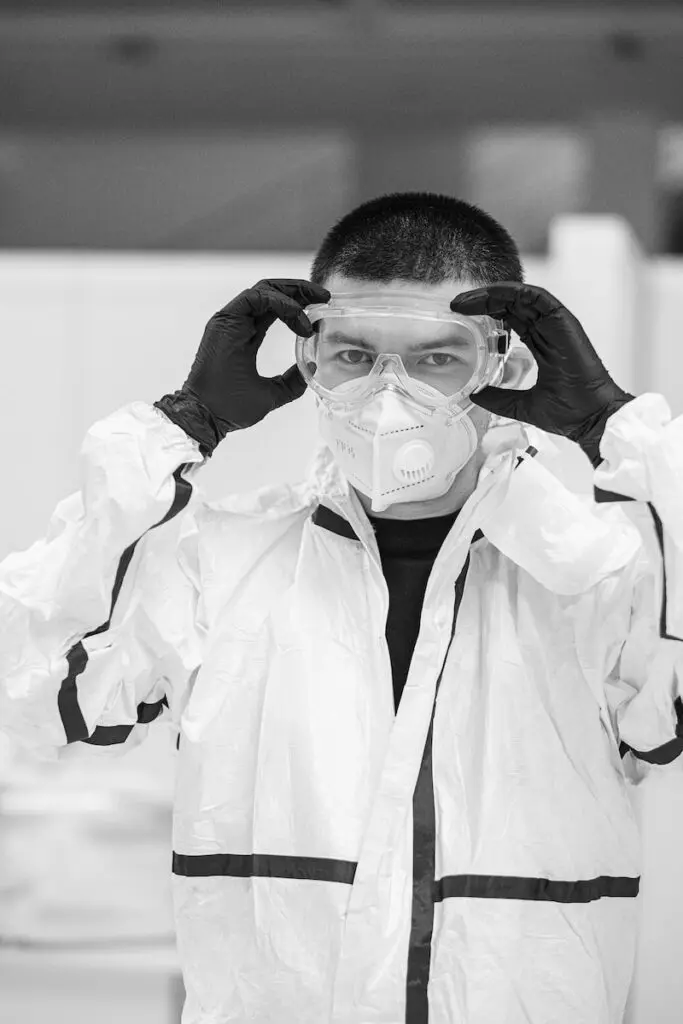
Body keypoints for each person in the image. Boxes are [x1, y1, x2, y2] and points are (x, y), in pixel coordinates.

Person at [1, 192, 681, 1024]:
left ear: (500, 366)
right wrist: (182, 424)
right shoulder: (217, 566)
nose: (387, 397)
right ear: (308, 362)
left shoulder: (595, 583)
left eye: (438, 359)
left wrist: (612, 427)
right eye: (353, 356)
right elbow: (41, 693)